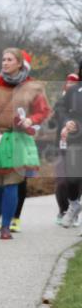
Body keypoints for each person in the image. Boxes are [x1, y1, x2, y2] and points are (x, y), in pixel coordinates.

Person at [0, 49, 51, 239]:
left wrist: (31, 120)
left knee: (12, 183)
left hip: (18, 137)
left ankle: (6, 226)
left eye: (10, 60)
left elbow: (43, 111)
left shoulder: (33, 87)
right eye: (3, 59)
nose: (5, 63)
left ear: (20, 64)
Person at [55, 62, 82, 228]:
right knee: (72, 179)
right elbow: (60, 107)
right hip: (76, 142)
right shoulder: (74, 90)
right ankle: (73, 205)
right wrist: (67, 121)